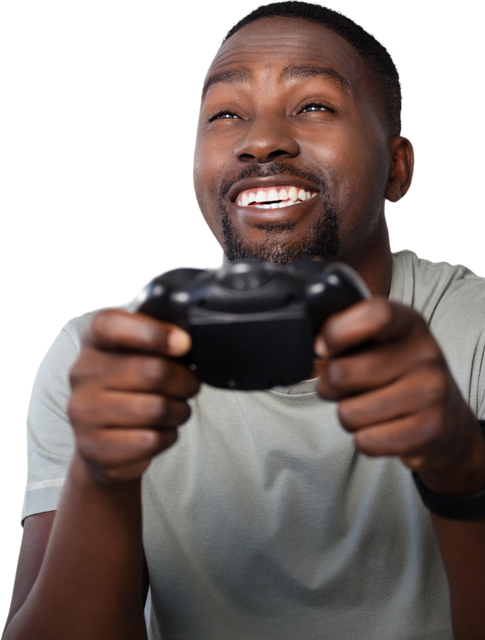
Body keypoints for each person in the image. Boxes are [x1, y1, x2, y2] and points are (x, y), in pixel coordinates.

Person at [4, 2, 485, 639]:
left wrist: (463, 469)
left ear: (398, 167)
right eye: (226, 113)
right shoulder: (101, 354)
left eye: (314, 105)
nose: (261, 140)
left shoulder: (475, 326)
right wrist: (101, 473)